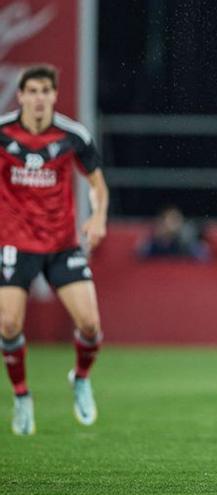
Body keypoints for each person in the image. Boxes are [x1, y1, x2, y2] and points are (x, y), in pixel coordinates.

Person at [0, 65, 108, 435]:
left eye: (46, 91)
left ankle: (80, 378)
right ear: (21, 96)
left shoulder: (73, 135)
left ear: (54, 95)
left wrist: (97, 218)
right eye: (32, 91)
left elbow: (97, 184)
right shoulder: (3, 134)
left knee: (90, 326)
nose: (39, 98)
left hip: (62, 245)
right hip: (15, 243)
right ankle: (21, 395)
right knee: (9, 324)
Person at [137, 206, 210, 262]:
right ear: (163, 222)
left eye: (177, 219)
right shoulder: (154, 241)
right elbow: (141, 252)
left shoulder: (186, 240)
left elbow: (203, 255)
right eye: (172, 220)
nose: (175, 224)